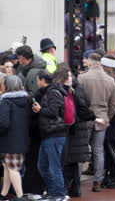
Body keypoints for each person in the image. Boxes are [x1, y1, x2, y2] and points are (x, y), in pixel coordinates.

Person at [77, 53, 115, 192]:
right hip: (102, 118)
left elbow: (78, 100)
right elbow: (114, 104)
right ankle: (97, 182)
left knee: (81, 150)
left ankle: (76, 182)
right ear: (100, 62)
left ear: (90, 62)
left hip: (85, 118)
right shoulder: (110, 80)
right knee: (98, 151)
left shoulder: (82, 77)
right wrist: (107, 117)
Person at [58, 64, 96, 198]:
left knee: (67, 161)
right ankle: (76, 188)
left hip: (71, 129)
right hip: (80, 128)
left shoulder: (66, 92)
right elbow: (87, 105)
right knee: (75, 162)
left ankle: (65, 188)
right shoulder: (80, 90)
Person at [32, 70, 69, 201]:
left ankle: (59, 194)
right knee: (42, 166)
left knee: (54, 166)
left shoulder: (53, 93)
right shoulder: (47, 93)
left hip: (55, 134)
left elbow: (54, 112)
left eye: (37, 79)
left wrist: (40, 109)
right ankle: (53, 192)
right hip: (48, 134)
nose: (37, 82)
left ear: (42, 80)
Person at [0, 75, 31, 201]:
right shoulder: (27, 100)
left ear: (8, 86)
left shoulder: (5, 101)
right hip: (22, 139)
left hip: (9, 140)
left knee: (12, 168)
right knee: (8, 167)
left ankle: (19, 196)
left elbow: (3, 123)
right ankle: (3, 194)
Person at [100, 56, 115, 189]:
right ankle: (113, 174)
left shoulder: (112, 79)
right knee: (108, 146)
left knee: (108, 146)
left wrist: (108, 117)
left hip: (112, 118)